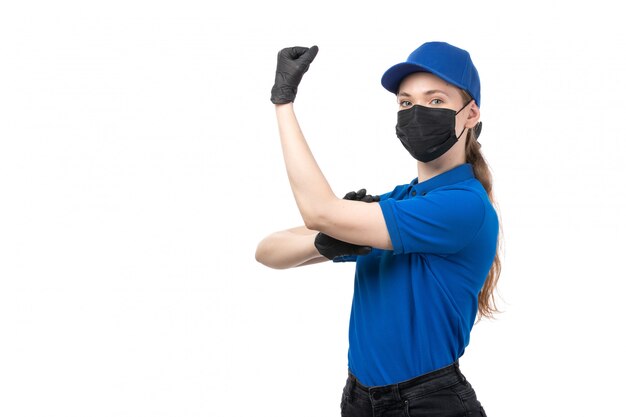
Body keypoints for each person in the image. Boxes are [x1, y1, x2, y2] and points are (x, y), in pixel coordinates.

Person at [255, 41, 501, 417]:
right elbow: (268, 251)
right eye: (406, 102)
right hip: (359, 399)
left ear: (470, 114)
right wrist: (327, 242)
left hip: (428, 404)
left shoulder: (463, 205)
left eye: (436, 101)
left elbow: (319, 210)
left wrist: (283, 102)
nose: (417, 112)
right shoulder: (399, 202)